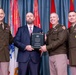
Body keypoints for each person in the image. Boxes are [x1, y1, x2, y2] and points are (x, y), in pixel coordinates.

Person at [0, 8, 13, 75]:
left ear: (4, 15)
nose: (0, 15)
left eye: (1, 13)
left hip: (5, 56)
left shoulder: (7, 26)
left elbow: (10, 40)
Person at [68, 11, 76, 75]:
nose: (71, 17)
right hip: (72, 56)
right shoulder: (68, 29)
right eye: (70, 16)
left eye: (73, 16)